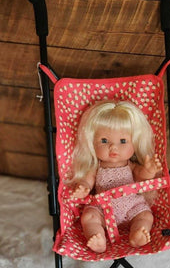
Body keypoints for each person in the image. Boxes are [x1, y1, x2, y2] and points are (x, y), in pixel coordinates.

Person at [66, 100, 162, 253]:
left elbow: (141, 177)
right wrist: (83, 187)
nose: (113, 147)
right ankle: (97, 238)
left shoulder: (131, 166)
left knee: (146, 216)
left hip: (132, 207)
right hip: (103, 209)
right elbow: (87, 180)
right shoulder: (96, 167)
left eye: (123, 141)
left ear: (134, 143)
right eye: (104, 141)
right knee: (89, 216)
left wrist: (149, 170)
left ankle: (137, 233)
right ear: (92, 143)